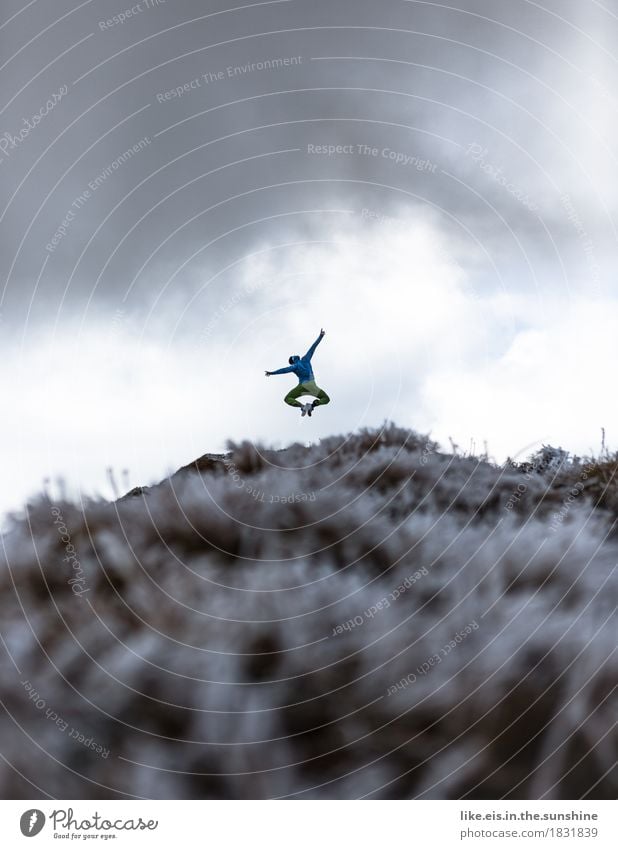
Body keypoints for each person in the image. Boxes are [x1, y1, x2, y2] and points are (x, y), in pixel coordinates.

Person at [265, 329, 331, 416]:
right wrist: (321, 336)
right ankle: (312, 405)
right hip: (312, 386)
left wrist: (271, 373)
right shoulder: (305, 359)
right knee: (326, 399)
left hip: (302, 387)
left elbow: (284, 370)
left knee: (287, 398)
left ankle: (303, 407)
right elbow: (313, 347)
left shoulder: (294, 367)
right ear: (294, 359)